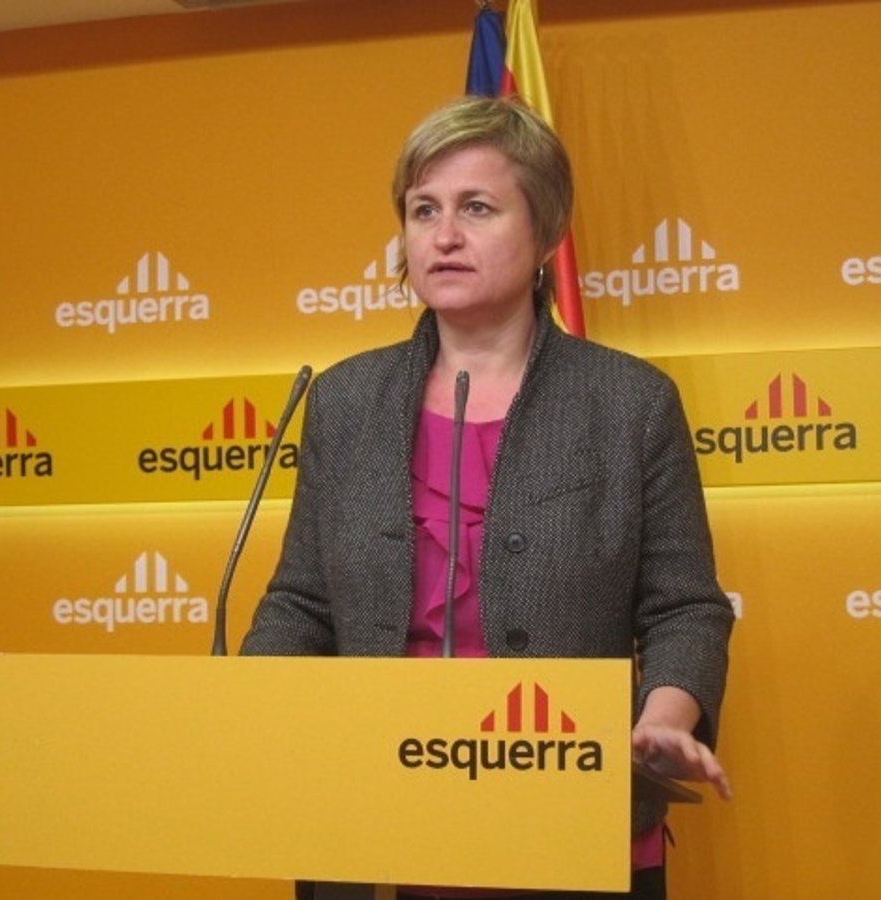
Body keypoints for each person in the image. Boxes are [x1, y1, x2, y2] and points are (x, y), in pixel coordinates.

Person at [241, 95, 734, 900]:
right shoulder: (344, 400)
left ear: (545, 232)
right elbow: (301, 602)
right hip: (364, 810)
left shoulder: (629, 403)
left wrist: (663, 721)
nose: (443, 235)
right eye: (423, 210)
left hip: (567, 809)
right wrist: (240, 711)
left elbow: (685, 608)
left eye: (476, 207)